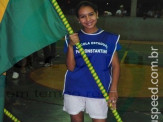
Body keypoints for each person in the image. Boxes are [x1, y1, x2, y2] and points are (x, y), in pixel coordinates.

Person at [63, 1, 121, 122]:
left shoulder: (110, 38)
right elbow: (71, 67)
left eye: (91, 14)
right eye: (83, 16)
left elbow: (115, 65)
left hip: (99, 89)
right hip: (75, 89)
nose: (88, 19)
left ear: (97, 14)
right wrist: (70, 46)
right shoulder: (73, 37)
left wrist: (113, 89)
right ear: (78, 19)